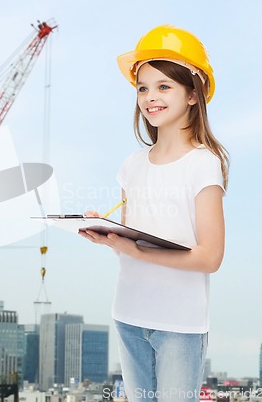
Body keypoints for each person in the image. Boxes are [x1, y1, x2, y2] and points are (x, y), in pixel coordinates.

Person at [79, 25, 229, 402]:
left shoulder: (203, 165)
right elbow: (132, 243)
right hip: (128, 314)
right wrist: (107, 234)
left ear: (193, 94)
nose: (150, 97)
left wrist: (137, 251)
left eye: (164, 86)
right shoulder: (131, 165)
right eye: (143, 88)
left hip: (179, 323)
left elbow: (210, 257)